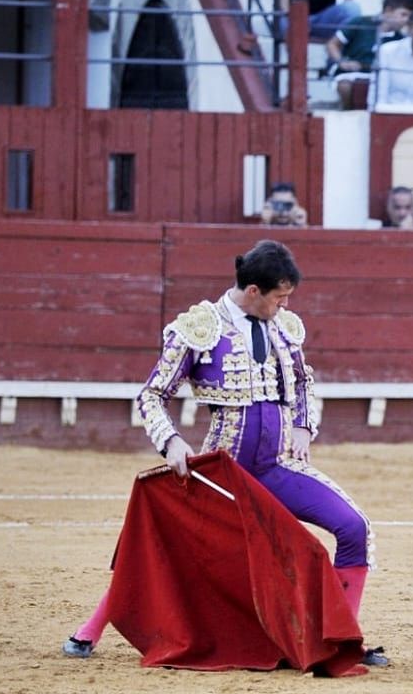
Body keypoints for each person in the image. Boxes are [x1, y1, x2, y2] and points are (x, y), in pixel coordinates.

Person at [61, 240, 384, 667]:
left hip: (277, 467)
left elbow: (303, 382)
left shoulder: (284, 327)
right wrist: (172, 441)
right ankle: (90, 630)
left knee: (354, 528)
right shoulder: (199, 327)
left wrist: (304, 426)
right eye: (279, 297)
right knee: (171, 548)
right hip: (223, 474)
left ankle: (344, 641)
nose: (285, 305)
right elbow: (152, 395)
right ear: (253, 291)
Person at [325, 0, 411, 109]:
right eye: (403, 14)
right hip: (351, 73)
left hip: (379, 77)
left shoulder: (401, 39)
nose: (406, 20)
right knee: (345, 86)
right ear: (388, 10)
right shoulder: (361, 22)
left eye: (409, 17)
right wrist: (342, 62)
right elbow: (332, 44)